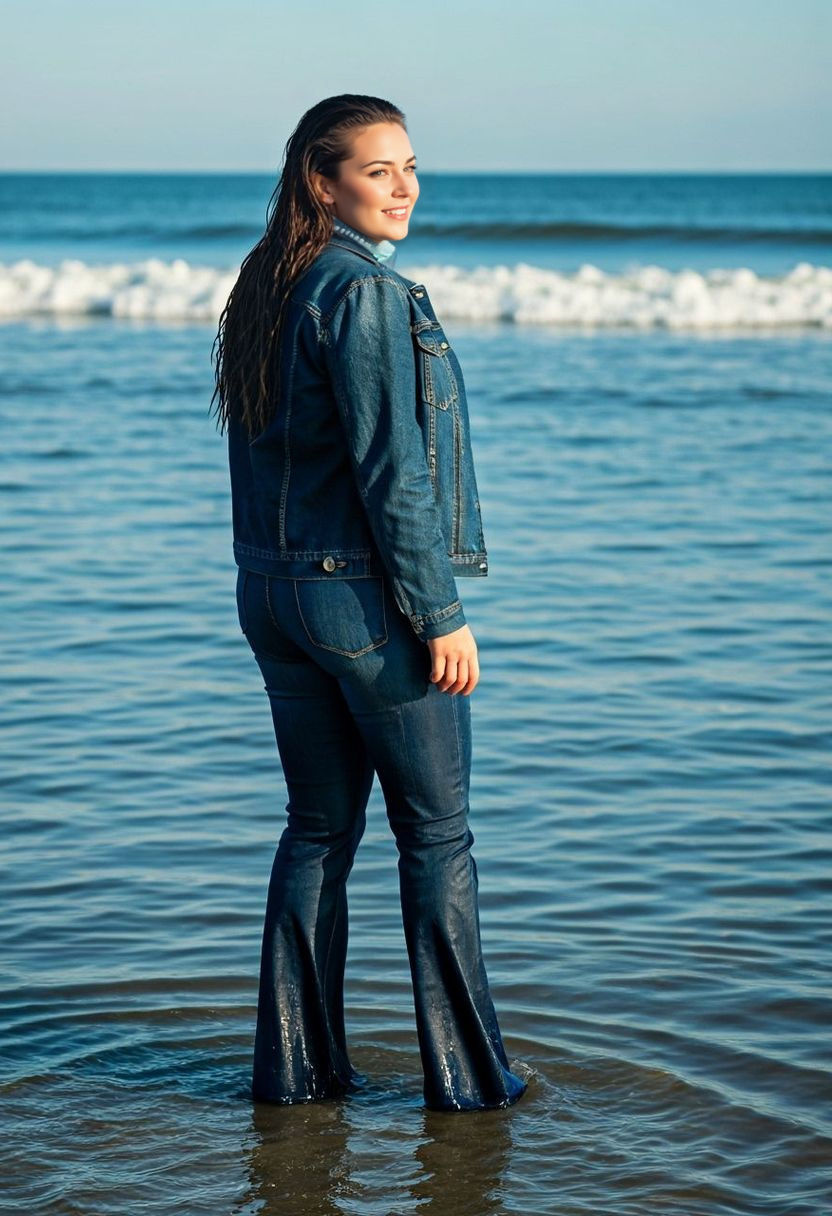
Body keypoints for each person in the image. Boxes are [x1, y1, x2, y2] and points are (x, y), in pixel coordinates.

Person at [211, 93, 528, 1113]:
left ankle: (298, 1073)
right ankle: (471, 1084)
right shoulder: (366, 294)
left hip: (273, 592)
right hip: (359, 605)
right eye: (379, 170)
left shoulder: (267, 282)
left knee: (317, 830)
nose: (406, 188)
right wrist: (439, 613)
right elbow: (394, 475)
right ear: (321, 177)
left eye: (410, 166)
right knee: (437, 836)